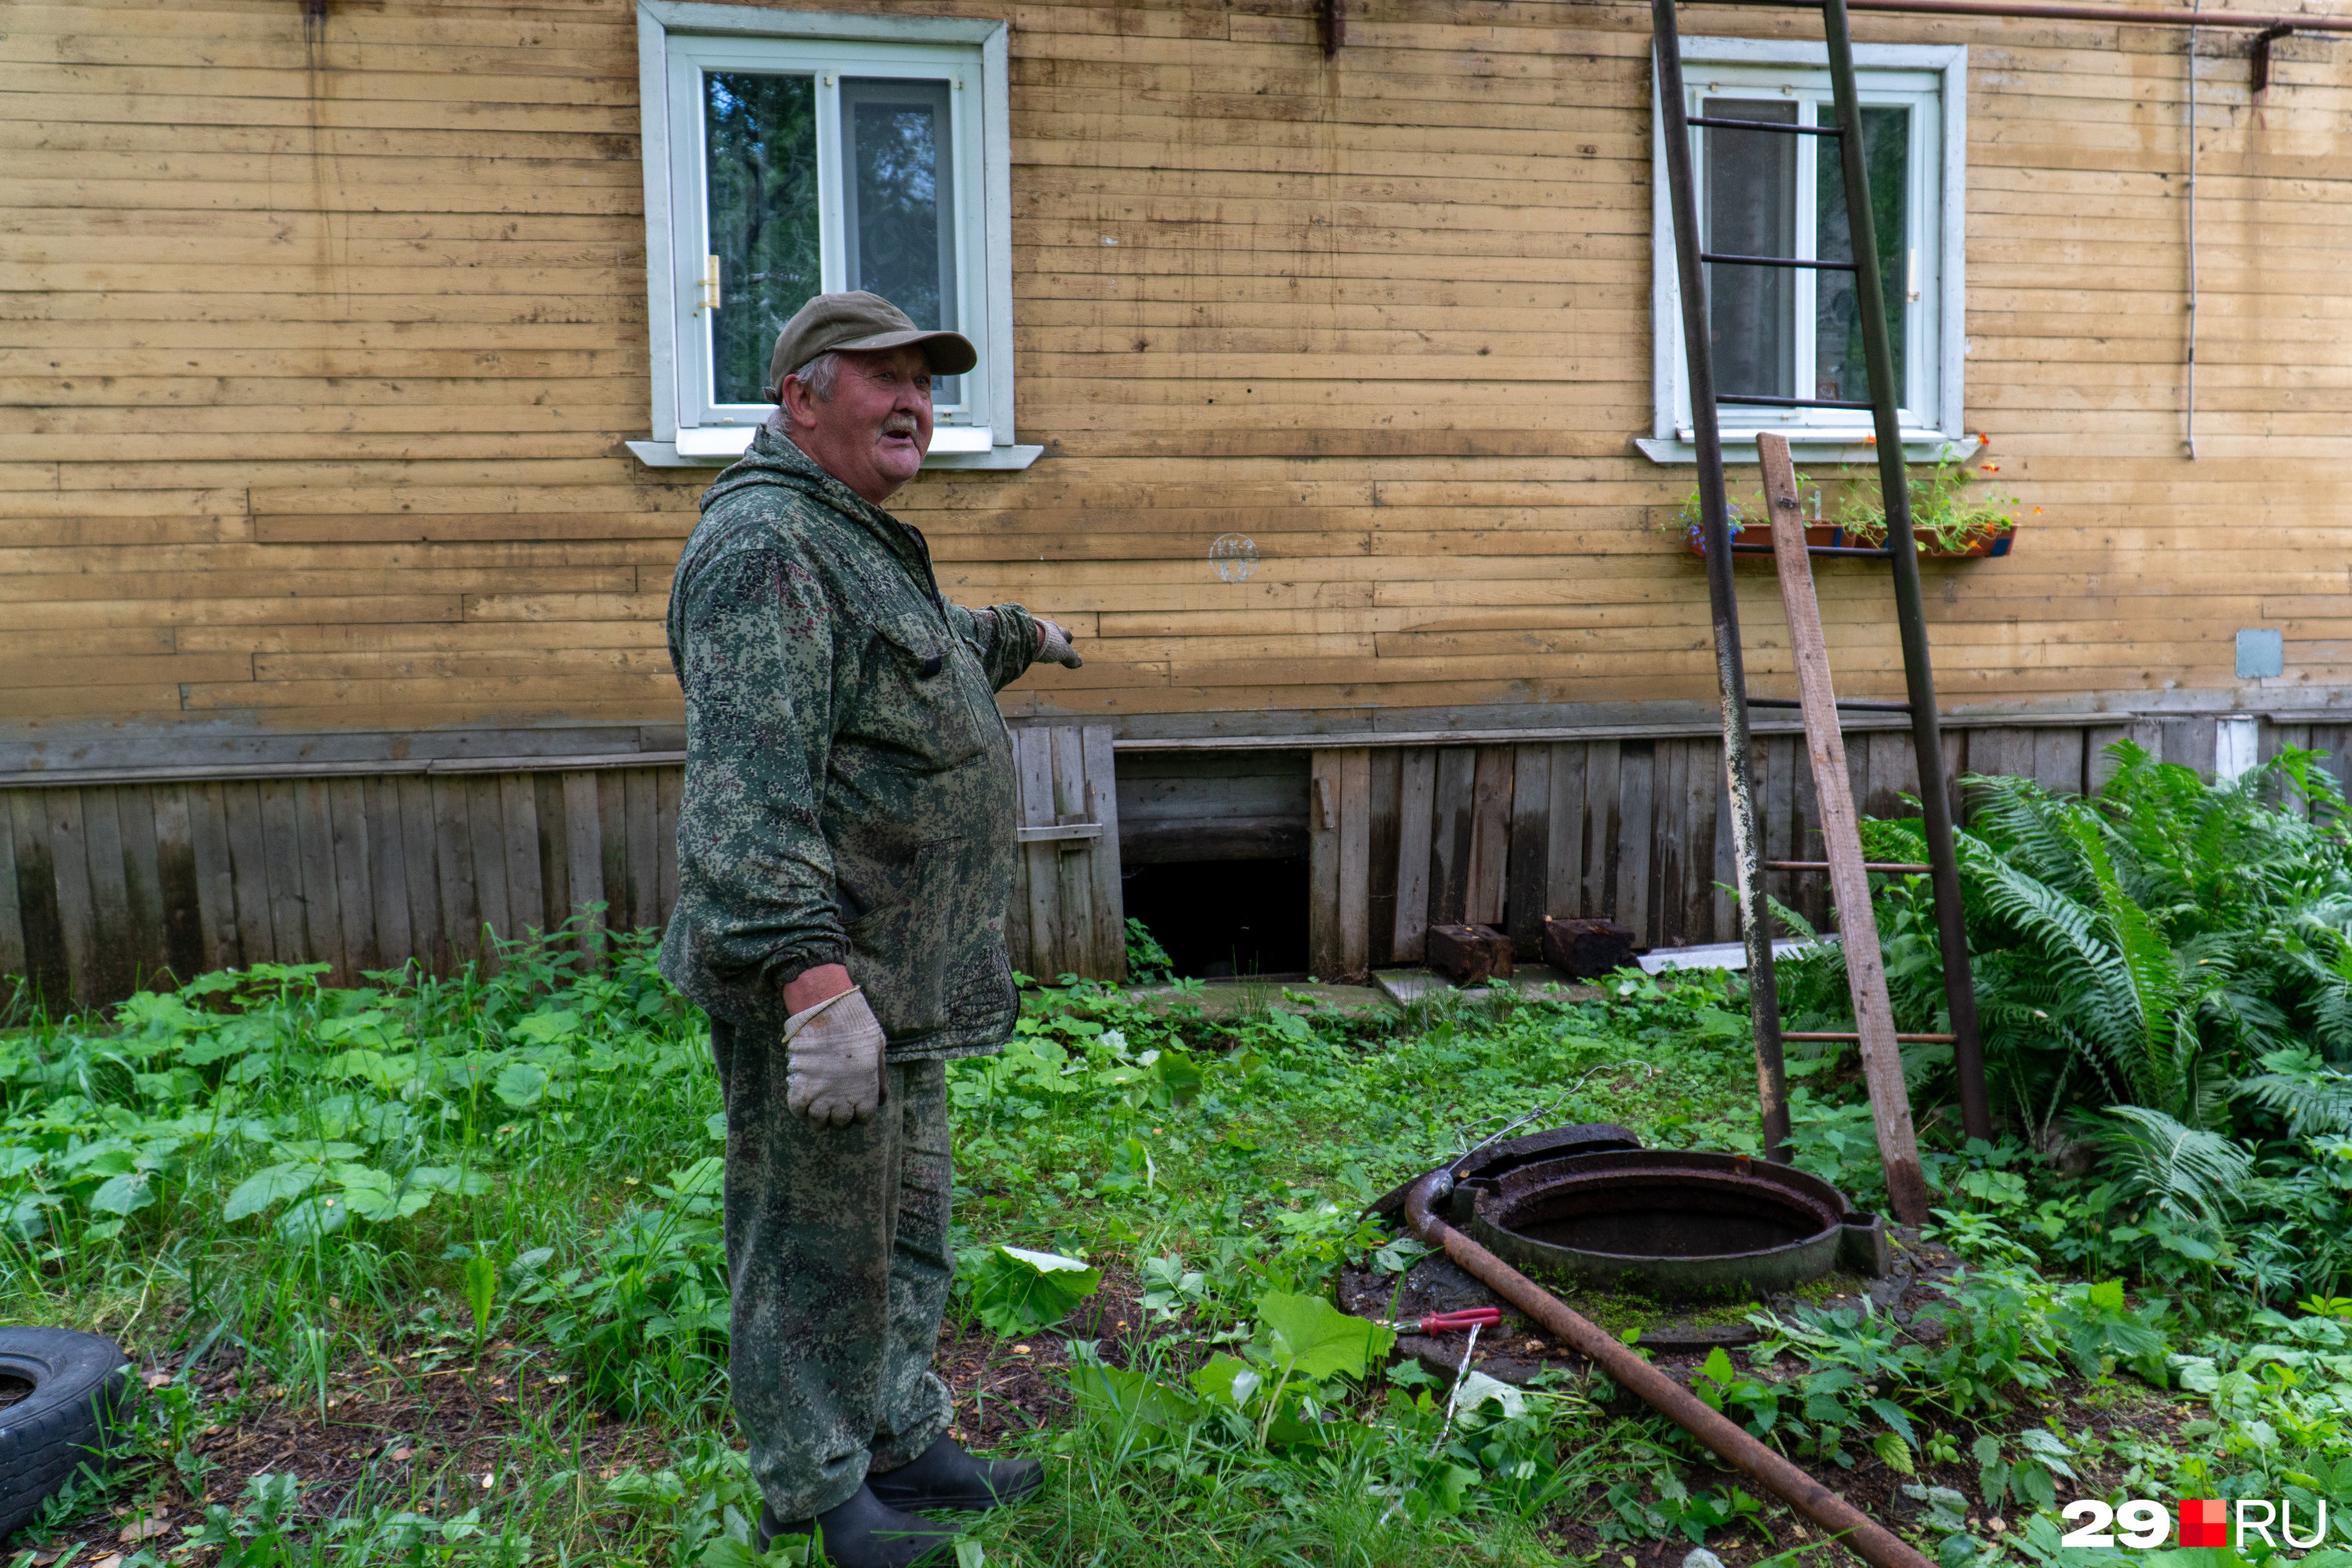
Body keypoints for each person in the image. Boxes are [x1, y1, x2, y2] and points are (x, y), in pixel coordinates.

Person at [659, 292, 1082, 1568]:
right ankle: (819, 1484)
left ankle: (901, 1438)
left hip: (900, 983)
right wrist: (815, 988)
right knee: (807, 1245)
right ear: (800, 397)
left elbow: (919, 650)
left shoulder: (848, 539)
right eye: (883, 379)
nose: (916, 403)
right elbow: (747, 800)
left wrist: (1021, 636)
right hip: (831, 990)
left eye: (927, 382)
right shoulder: (765, 550)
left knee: (902, 1226)